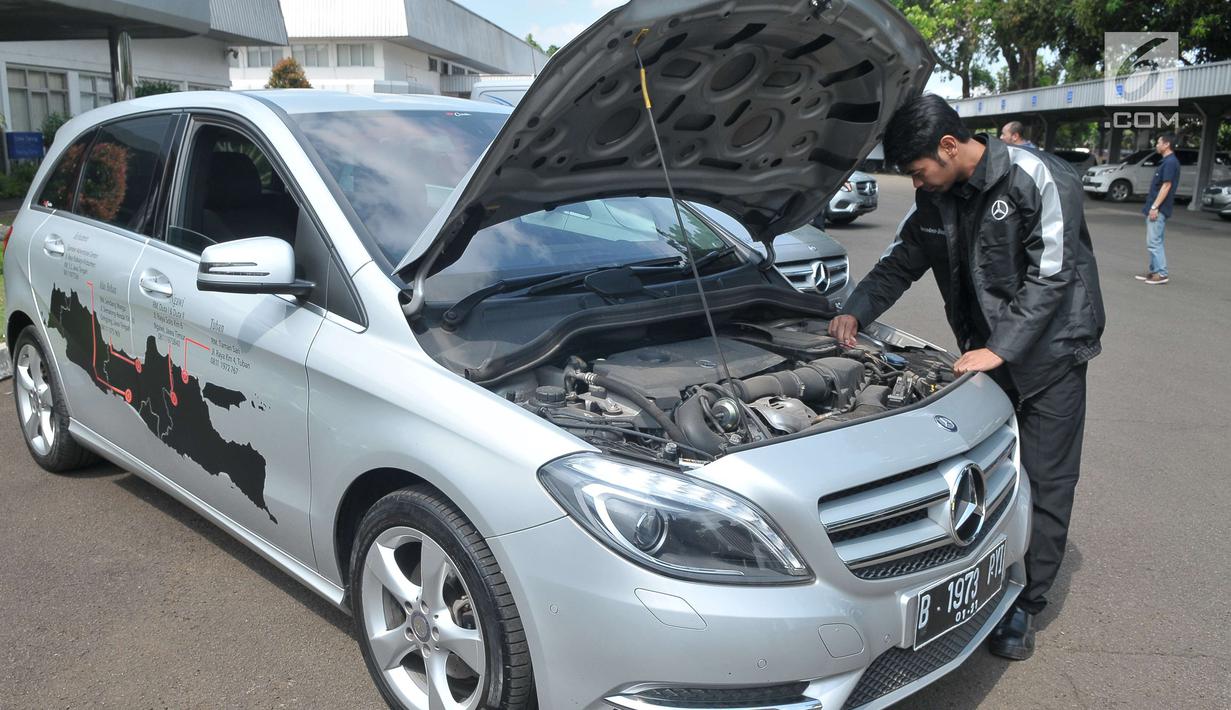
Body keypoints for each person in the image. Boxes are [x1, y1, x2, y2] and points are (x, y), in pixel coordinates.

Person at [829, 93, 1105, 661]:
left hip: (1052, 356)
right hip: (986, 358)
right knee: (980, 474)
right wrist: (856, 308)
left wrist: (998, 350)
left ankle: (1026, 604)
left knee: (1048, 480)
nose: (916, 183)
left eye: (917, 171)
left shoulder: (1039, 177)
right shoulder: (935, 199)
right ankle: (976, 576)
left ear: (949, 147)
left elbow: (1052, 277)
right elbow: (901, 262)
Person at [1136, 133, 1179, 285]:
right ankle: (1154, 271)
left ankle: (1161, 273)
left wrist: (1155, 207)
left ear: (1167, 144)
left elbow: (1166, 186)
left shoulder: (1170, 163)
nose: (1157, 145)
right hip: (1155, 207)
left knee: (1154, 242)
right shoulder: (1166, 162)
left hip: (1158, 208)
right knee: (1155, 240)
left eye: (1159, 142)